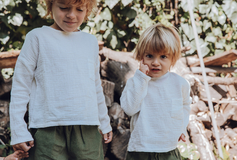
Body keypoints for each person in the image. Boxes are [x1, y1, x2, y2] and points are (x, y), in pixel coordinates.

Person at [9, 0, 112, 159]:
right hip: (47, 129)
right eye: (64, 8)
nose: (71, 15)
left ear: (88, 9)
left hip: (87, 128)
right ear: (50, 6)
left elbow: (95, 86)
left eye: (79, 9)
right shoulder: (37, 37)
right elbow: (21, 86)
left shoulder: (90, 42)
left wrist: (104, 121)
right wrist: (18, 131)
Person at [120, 23, 192, 160]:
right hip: (140, 151)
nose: (156, 62)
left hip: (169, 150)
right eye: (149, 56)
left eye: (163, 57)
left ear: (173, 58)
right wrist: (141, 78)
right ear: (141, 56)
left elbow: (185, 106)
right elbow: (129, 109)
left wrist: (181, 128)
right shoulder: (135, 82)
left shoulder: (180, 84)